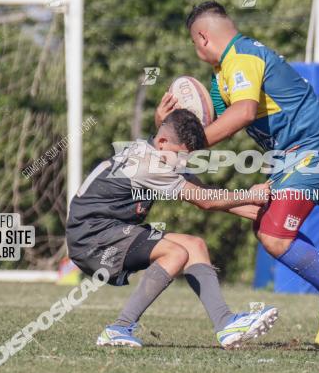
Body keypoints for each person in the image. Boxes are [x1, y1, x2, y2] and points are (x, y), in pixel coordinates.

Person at [159, 0, 319, 346]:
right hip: (296, 155)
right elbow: (202, 126)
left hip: (315, 148)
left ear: (201, 37)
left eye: (192, 43)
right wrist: (165, 129)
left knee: (275, 236)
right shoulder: (222, 74)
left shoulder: (241, 59)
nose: (195, 50)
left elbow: (241, 114)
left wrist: (187, 148)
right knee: (265, 224)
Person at [66, 109, 277, 349]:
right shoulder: (149, 164)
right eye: (182, 156)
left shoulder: (156, 148)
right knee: (175, 253)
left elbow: (200, 190)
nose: (184, 163)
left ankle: (226, 324)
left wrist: (247, 207)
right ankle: (119, 328)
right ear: (164, 143)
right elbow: (204, 200)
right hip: (92, 238)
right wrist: (248, 196)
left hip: (105, 229)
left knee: (194, 245)